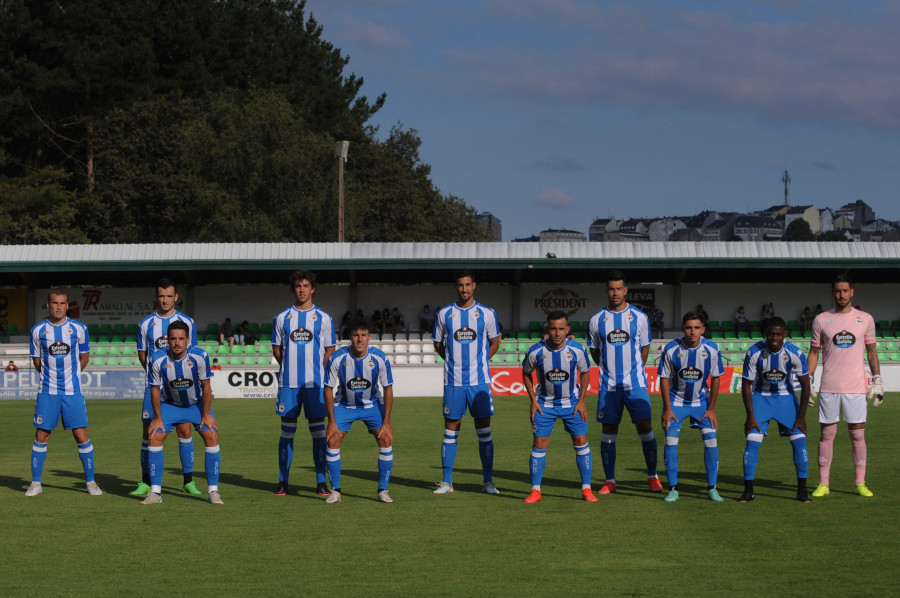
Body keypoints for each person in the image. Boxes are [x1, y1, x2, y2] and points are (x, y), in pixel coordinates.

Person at [587, 270, 662, 494]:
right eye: (611, 288)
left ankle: (653, 477)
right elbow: (595, 352)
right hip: (608, 387)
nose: (615, 292)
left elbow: (645, 349)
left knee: (645, 428)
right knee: (609, 431)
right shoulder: (596, 319)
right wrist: (610, 370)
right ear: (606, 291)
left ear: (626, 290)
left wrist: (632, 370)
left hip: (635, 384)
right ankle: (610, 481)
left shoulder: (639, 318)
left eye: (619, 288)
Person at [807, 276, 881, 498]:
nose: (842, 295)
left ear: (852, 292)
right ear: (833, 293)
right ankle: (823, 484)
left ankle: (860, 482)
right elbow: (813, 352)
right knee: (827, 435)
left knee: (857, 436)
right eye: (838, 291)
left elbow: (871, 352)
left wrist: (877, 379)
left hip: (856, 388)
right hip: (829, 387)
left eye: (845, 291)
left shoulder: (865, 319)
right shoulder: (821, 319)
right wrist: (809, 379)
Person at [26, 287, 101, 496]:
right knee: (41, 435)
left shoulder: (79, 328)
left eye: (62, 303)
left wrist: (71, 376)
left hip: (72, 391)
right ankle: (36, 483)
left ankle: (91, 482)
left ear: (67, 305)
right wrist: (51, 377)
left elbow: (84, 357)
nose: (59, 307)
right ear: (48, 305)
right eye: (55, 303)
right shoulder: (38, 330)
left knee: (81, 434)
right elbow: (37, 361)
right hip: (47, 391)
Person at [432, 269, 502, 494]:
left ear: (474, 286)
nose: (464, 289)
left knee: (484, 433)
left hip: (479, 383)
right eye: (461, 285)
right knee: (450, 432)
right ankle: (447, 483)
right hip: (453, 382)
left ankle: (488, 482)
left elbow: (495, 342)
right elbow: (437, 344)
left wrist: (479, 361)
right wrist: (452, 361)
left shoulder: (487, 313)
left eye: (468, 285)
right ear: (456, 287)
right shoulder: (444, 314)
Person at [141, 321, 222, 505]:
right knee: (154, 436)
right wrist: (158, 418)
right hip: (169, 405)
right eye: (173, 339)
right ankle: (155, 493)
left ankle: (213, 491)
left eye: (181, 339)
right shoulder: (157, 358)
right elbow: (154, 389)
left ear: (188, 340)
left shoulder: (200, 356)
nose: (177, 343)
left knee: (211, 434)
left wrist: (207, 414)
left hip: (196, 405)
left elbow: (206, 387)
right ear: (167, 340)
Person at [132, 279, 200, 497]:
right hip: (153, 388)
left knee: (185, 429)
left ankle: (188, 481)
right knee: (149, 432)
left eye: (169, 296)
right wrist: (157, 376)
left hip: (180, 388)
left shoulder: (187, 321)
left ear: (176, 297)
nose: (165, 300)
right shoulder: (145, 324)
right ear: (156, 297)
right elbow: (143, 355)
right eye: (161, 296)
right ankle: (145, 481)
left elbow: (194, 354)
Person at [272, 269, 336, 496]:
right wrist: (289, 367)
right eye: (298, 286)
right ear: (294, 289)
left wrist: (318, 370)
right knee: (287, 433)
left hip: (315, 385)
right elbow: (277, 349)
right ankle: (283, 481)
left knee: (318, 434)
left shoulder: (324, 318)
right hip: (289, 384)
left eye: (305, 286)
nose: (302, 290)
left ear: (313, 289)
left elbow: (330, 349)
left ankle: (320, 482)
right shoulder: (282, 317)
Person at [521, 311, 596, 503]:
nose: (557, 333)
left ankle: (586, 489)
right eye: (553, 328)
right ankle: (536, 491)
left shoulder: (577, 350)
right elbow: (526, 373)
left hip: (571, 404)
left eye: (561, 329)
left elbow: (586, 372)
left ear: (567, 329)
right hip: (544, 405)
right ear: (548, 329)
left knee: (581, 442)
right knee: (539, 445)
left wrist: (581, 401)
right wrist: (533, 400)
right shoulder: (535, 351)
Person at [739, 316, 811, 502]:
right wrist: (750, 416)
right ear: (765, 334)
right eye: (770, 334)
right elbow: (746, 384)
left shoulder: (795, 353)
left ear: (785, 334)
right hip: (761, 398)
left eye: (778, 334)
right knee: (752, 442)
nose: (774, 337)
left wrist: (801, 417)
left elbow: (805, 385)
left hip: (786, 399)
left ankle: (802, 491)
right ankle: (748, 491)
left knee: (799, 441)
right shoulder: (754, 352)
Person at [323, 317, 395, 503]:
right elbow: (328, 389)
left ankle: (383, 490)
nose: (360, 339)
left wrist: (386, 422)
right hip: (345, 405)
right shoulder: (337, 358)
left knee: (386, 438)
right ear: (350, 337)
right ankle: (336, 490)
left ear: (369, 337)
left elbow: (388, 389)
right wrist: (331, 421)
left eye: (363, 335)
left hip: (372, 405)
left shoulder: (379, 358)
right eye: (356, 335)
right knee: (332, 439)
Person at [658, 312, 724, 502]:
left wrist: (711, 409)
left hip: (702, 403)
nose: (692, 332)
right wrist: (667, 408)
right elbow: (663, 378)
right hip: (676, 402)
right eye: (688, 327)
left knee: (711, 441)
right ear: (683, 329)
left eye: (696, 327)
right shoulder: (671, 349)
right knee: (671, 443)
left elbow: (717, 377)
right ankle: (673, 489)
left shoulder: (711, 349)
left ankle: (712, 488)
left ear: (703, 329)